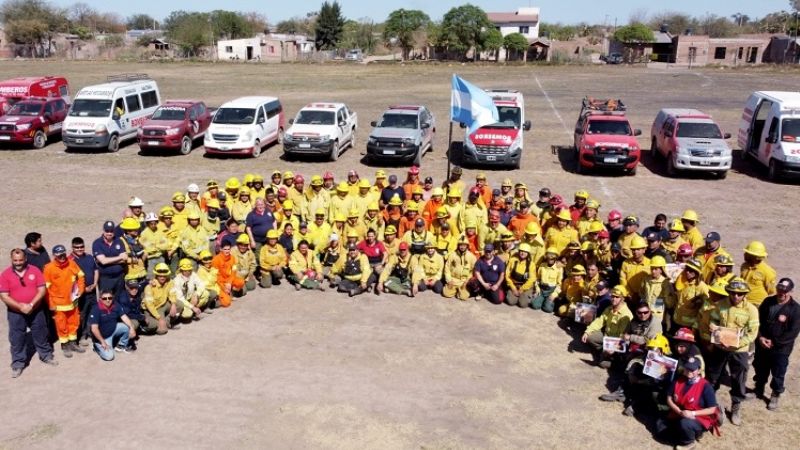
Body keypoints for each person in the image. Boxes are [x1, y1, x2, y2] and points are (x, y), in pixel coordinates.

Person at [705, 277, 759, 426]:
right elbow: (714, 320)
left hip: (739, 350)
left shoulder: (751, 310)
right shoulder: (721, 305)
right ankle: (710, 403)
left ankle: (736, 407)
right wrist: (713, 327)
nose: (736, 296)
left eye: (740, 294)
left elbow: (752, 332)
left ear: (745, 294)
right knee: (713, 375)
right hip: (720, 347)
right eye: (733, 293)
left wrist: (738, 344)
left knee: (738, 378)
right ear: (728, 292)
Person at [0, 249, 57, 378]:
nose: (18, 262)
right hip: (15, 312)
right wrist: (20, 306)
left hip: (36, 310)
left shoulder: (35, 270)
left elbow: (42, 290)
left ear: (25, 258)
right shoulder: (5, 274)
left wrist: (31, 305)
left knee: (41, 333)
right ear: (11, 259)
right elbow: (4, 296)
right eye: (15, 260)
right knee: (17, 338)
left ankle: (46, 355)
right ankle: (18, 363)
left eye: (20, 260)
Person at [751, 278, 800, 411]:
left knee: (778, 372)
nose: (781, 292)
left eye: (785, 290)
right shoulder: (768, 301)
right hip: (762, 343)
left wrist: (774, 342)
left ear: (790, 291)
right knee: (760, 367)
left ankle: (775, 394)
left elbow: (793, 332)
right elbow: (757, 321)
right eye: (780, 289)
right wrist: (760, 338)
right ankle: (758, 389)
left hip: (781, 348)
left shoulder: (795, 309)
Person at [664, 357, 721, 449]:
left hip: (698, 417)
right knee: (661, 429)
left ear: (698, 371)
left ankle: (690, 442)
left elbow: (712, 409)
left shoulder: (706, 386)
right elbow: (669, 398)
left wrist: (692, 413)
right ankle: (685, 432)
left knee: (685, 423)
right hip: (680, 413)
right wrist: (679, 411)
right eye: (687, 368)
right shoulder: (678, 380)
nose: (689, 371)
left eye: (692, 369)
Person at [43, 245, 86, 358]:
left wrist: (80, 291)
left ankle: (73, 343)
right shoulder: (48, 268)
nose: (62, 257)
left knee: (74, 322)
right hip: (59, 304)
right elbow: (46, 289)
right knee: (61, 325)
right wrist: (51, 304)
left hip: (73, 301)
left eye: (63, 254)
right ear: (54, 256)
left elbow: (81, 276)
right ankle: (65, 345)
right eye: (59, 255)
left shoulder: (72, 263)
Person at [582, 285, 633, 368]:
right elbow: (599, 321)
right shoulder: (609, 309)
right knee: (590, 337)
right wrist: (587, 332)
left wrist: (613, 348)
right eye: (612, 296)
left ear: (622, 298)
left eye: (617, 297)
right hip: (607, 337)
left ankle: (617, 361)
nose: (614, 299)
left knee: (602, 364)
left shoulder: (626, 315)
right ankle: (604, 352)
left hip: (618, 343)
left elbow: (623, 337)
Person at [88, 290, 137, 361]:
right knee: (109, 357)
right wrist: (102, 342)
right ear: (100, 299)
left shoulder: (115, 304)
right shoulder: (96, 309)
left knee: (127, 327)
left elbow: (124, 316)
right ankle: (96, 346)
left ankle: (121, 345)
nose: (108, 300)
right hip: (103, 337)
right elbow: (94, 329)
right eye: (105, 298)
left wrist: (132, 328)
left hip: (113, 329)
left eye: (110, 298)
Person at [70, 237, 98, 346]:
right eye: (77, 247)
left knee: (92, 313)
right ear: (72, 248)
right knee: (81, 315)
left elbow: (95, 270)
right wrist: (83, 289)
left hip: (92, 291)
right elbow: (70, 280)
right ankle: (80, 336)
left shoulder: (89, 257)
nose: (79, 249)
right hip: (81, 294)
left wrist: (95, 283)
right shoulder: (70, 261)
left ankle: (90, 333)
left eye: (81, 247)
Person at [141, 263, 182, 335]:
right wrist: (159, 318)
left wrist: (173, 304)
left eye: (164, 276)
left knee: (180, 304)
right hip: (153, 309)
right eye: (160, 276)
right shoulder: (149, 287)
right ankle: (153, 323)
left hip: (164, 304)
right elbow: (149, 305)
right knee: (161, 331)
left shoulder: (170, 282)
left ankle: (167, 322)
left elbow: (172, 294)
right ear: (156, 275)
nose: (162, 278)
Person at [92, 220, 128, 294]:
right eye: (107, 231)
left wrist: (108, 260)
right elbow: (103, 261)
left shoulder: (119, 241)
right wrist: (119, 257)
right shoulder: (97, 243)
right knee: (106, 300)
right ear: (104, 231)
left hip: (119, 277)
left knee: (120, 300)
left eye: (111, 231)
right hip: (105, 279)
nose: (109, 233)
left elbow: (124, 259)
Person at [740, 240, 777, 308]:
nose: (744, 254)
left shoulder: (767, 271)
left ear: (756, 257)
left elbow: (771, 291)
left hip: (758, 305)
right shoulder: (744, 266)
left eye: (748, 254)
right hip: (743, 301)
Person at [443, 236, 477, 301]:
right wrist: (449, 280)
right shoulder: (452, 255)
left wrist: (467, 281)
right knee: (446, 294)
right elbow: (447, 268)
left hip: (463, 281)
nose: (462, 247)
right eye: (460, 245)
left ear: (467, 246)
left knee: (463, 297)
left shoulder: (471, 256)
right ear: (458, 246)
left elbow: (473, 271)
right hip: (453, 280)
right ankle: (455, 290)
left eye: (464, 245)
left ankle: (459, 291)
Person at [505, 243, 537, 308]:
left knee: (523, 304)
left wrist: (522, 289)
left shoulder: (531, 264)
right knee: (511, 302)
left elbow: (531, 280)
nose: (522, 253)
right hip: (514, 285)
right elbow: (507, 276)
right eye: (521, 251)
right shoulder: (512, 260)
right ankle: (514, 294)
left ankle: (529, 295)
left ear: (528, 253)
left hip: (525, 286)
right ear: (519, 251)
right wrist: (513, 288)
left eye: (525, 252)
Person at [531, 248, 563, 312]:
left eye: (553, 257)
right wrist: (537, 288)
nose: (550, 259)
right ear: (546, 257)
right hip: (542, 289)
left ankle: (548, 302)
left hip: (551, 290)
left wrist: (554, 294)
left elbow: (559, 284)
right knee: (535, 305)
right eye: (548, 256)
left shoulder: (559, 268)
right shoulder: (542, 266)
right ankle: (543, 300)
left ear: (556, 258)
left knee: (548, 309)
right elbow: (538, 279)